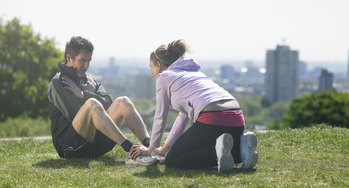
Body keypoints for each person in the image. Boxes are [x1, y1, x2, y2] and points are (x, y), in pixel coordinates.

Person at [130, 39, 258, 173]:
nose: (151, 72)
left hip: (213, 119)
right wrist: (164, 149)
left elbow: (160, 116)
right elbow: (182, 118)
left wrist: (151, 149)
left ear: (157, 64)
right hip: (237, 118)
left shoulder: (164, 77)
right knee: (179, 152)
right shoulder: (194, 73)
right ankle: (242, 148)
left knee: (173, 160)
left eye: (151, 66)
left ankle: (222, 153)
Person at [48, 36, 156, 165]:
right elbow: (75, 115)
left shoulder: (88, 79)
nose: (86, 66)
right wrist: (87, 96)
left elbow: (108, 104)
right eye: (82, 61)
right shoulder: (58, 83)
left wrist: (83, 94)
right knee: (92, 104)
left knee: (123, 102)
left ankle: (150, 148)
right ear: (68, 58)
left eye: (89, 61)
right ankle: (130, 150)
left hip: (95, 144)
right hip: (70, 147)